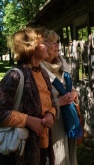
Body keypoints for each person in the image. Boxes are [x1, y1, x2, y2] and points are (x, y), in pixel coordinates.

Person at [0, 27, 57, 165]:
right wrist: (27, 120)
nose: (47, 46)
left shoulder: (43, 74)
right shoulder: (14, 76)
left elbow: (52, 103)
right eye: (43, 43)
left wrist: (51, 113)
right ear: (32, 48)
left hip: (44, 146)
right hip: (21, 151)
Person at [40, 29, 82, 165]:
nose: (57, 45)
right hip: (54, 124)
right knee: (59, 157)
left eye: (57, 42)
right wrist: (59, 102)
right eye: (52, 42)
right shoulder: (38, 71)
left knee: (71, 153)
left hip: (69, 120)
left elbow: (70, 88)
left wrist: (74, 93)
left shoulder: (63, 66)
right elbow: (37, 102)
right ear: (42, 46)